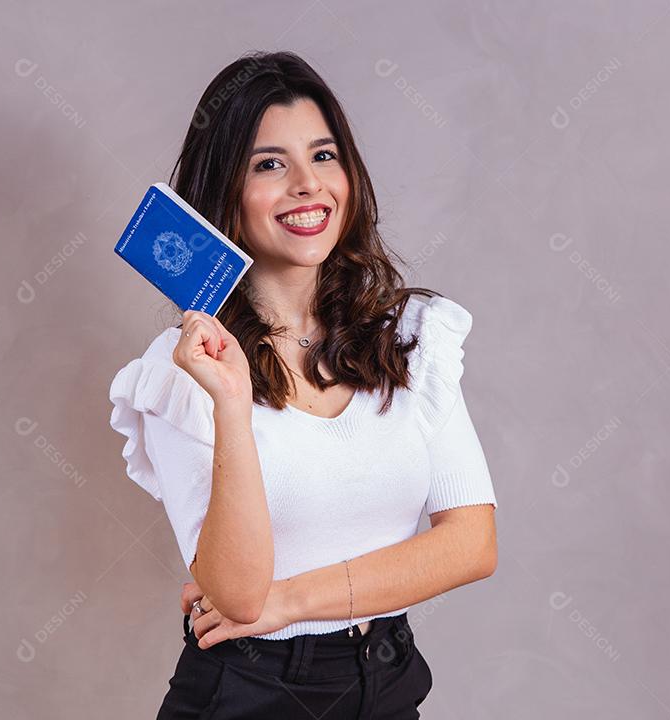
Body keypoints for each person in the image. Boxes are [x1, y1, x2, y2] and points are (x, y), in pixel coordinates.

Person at [108, 50, 497, 720]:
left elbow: (471, 542)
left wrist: (292, 600)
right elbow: (237, 596)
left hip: (387, 678)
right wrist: (232, 404)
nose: (306, 184)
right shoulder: (182, 375)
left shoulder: (408, 338)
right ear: (226, 190)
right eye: (268, 164)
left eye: (323, 155)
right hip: (252, 694)